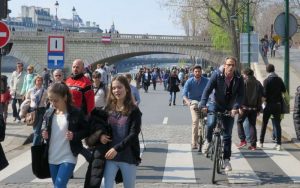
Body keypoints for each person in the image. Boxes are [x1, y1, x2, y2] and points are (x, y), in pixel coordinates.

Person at [200, 56, 244, 172]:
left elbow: (241, 95)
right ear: (224, 65)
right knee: (211, 123)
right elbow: (207, 90)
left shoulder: (239, 78)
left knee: (227, 135)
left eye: (232, 65)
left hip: (229, 107)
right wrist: (203, 104)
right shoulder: (216, 75)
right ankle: (208, 141)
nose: (230, 67)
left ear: (235, 67)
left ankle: (226, 160)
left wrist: (236, 107)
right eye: (228, 65)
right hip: (215, 103)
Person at [42, 82, 88, 188]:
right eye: (50, 100)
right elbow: (44, 128)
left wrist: (74, 135)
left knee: (59, 186)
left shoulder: (76, 112)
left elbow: (87, 130)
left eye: (56, 100)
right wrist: (44, 134)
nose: (53, 103)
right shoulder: (49, 113)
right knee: (59, 186)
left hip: (69, 156)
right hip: (52, 156)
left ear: (65, 97)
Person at [102, 75, 142, 188]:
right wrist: (101, 136)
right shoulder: (108, 108)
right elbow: (100, 128)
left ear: (127, 89)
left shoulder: (134, 110)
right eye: (114, 88)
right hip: (110, 156)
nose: (116, 90)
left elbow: (134, 134)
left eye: (119, 87)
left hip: (127, 157)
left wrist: (116, 148)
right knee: (106, 185)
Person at [258, 64, 286, 151]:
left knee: (264, 123)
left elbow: (264, 95)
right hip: (277, 105)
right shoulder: (279, 79)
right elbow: (284, 91)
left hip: (269, 105)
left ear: (267, 71)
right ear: (274, 70)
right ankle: (278, 144)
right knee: (277, 125)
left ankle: (261, 142)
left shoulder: (266, 81)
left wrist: (262, 104)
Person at [182, 65, 208, 149]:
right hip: (193, 102)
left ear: (201, 72)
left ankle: (205, 139)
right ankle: (194, 142)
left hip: (204, 102)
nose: (197, 73)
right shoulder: (189, 81)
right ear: (193, 72)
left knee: (205, 121)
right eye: (196, 71)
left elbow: (211, 91)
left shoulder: (206, 81)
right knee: (195, 121)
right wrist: (188, 101)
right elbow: (184, 95)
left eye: (199, 71)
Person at [236, 68, 263, 150]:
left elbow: (240, 95)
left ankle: (243, 140)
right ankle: (253, 145)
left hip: (244, 107)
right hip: (254, 108)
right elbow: (260, 97)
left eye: (243, 74)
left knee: (239, 122)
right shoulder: (258, 83)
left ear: (245, 74)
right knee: (252, 125)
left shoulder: (244, 82)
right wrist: (259, 109)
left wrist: (239, 106)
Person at [24, 75, 48, 146]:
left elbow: (48, 100)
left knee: (37, 130)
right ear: (35, 81)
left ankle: (34, 146)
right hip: (32, 111)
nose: (39, 82)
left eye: (41, 80)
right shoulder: (30, 90)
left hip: (40, 110)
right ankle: (39, 143)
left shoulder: (45, 91)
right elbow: (27, 99)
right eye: (38, 80)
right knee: (35, 129)